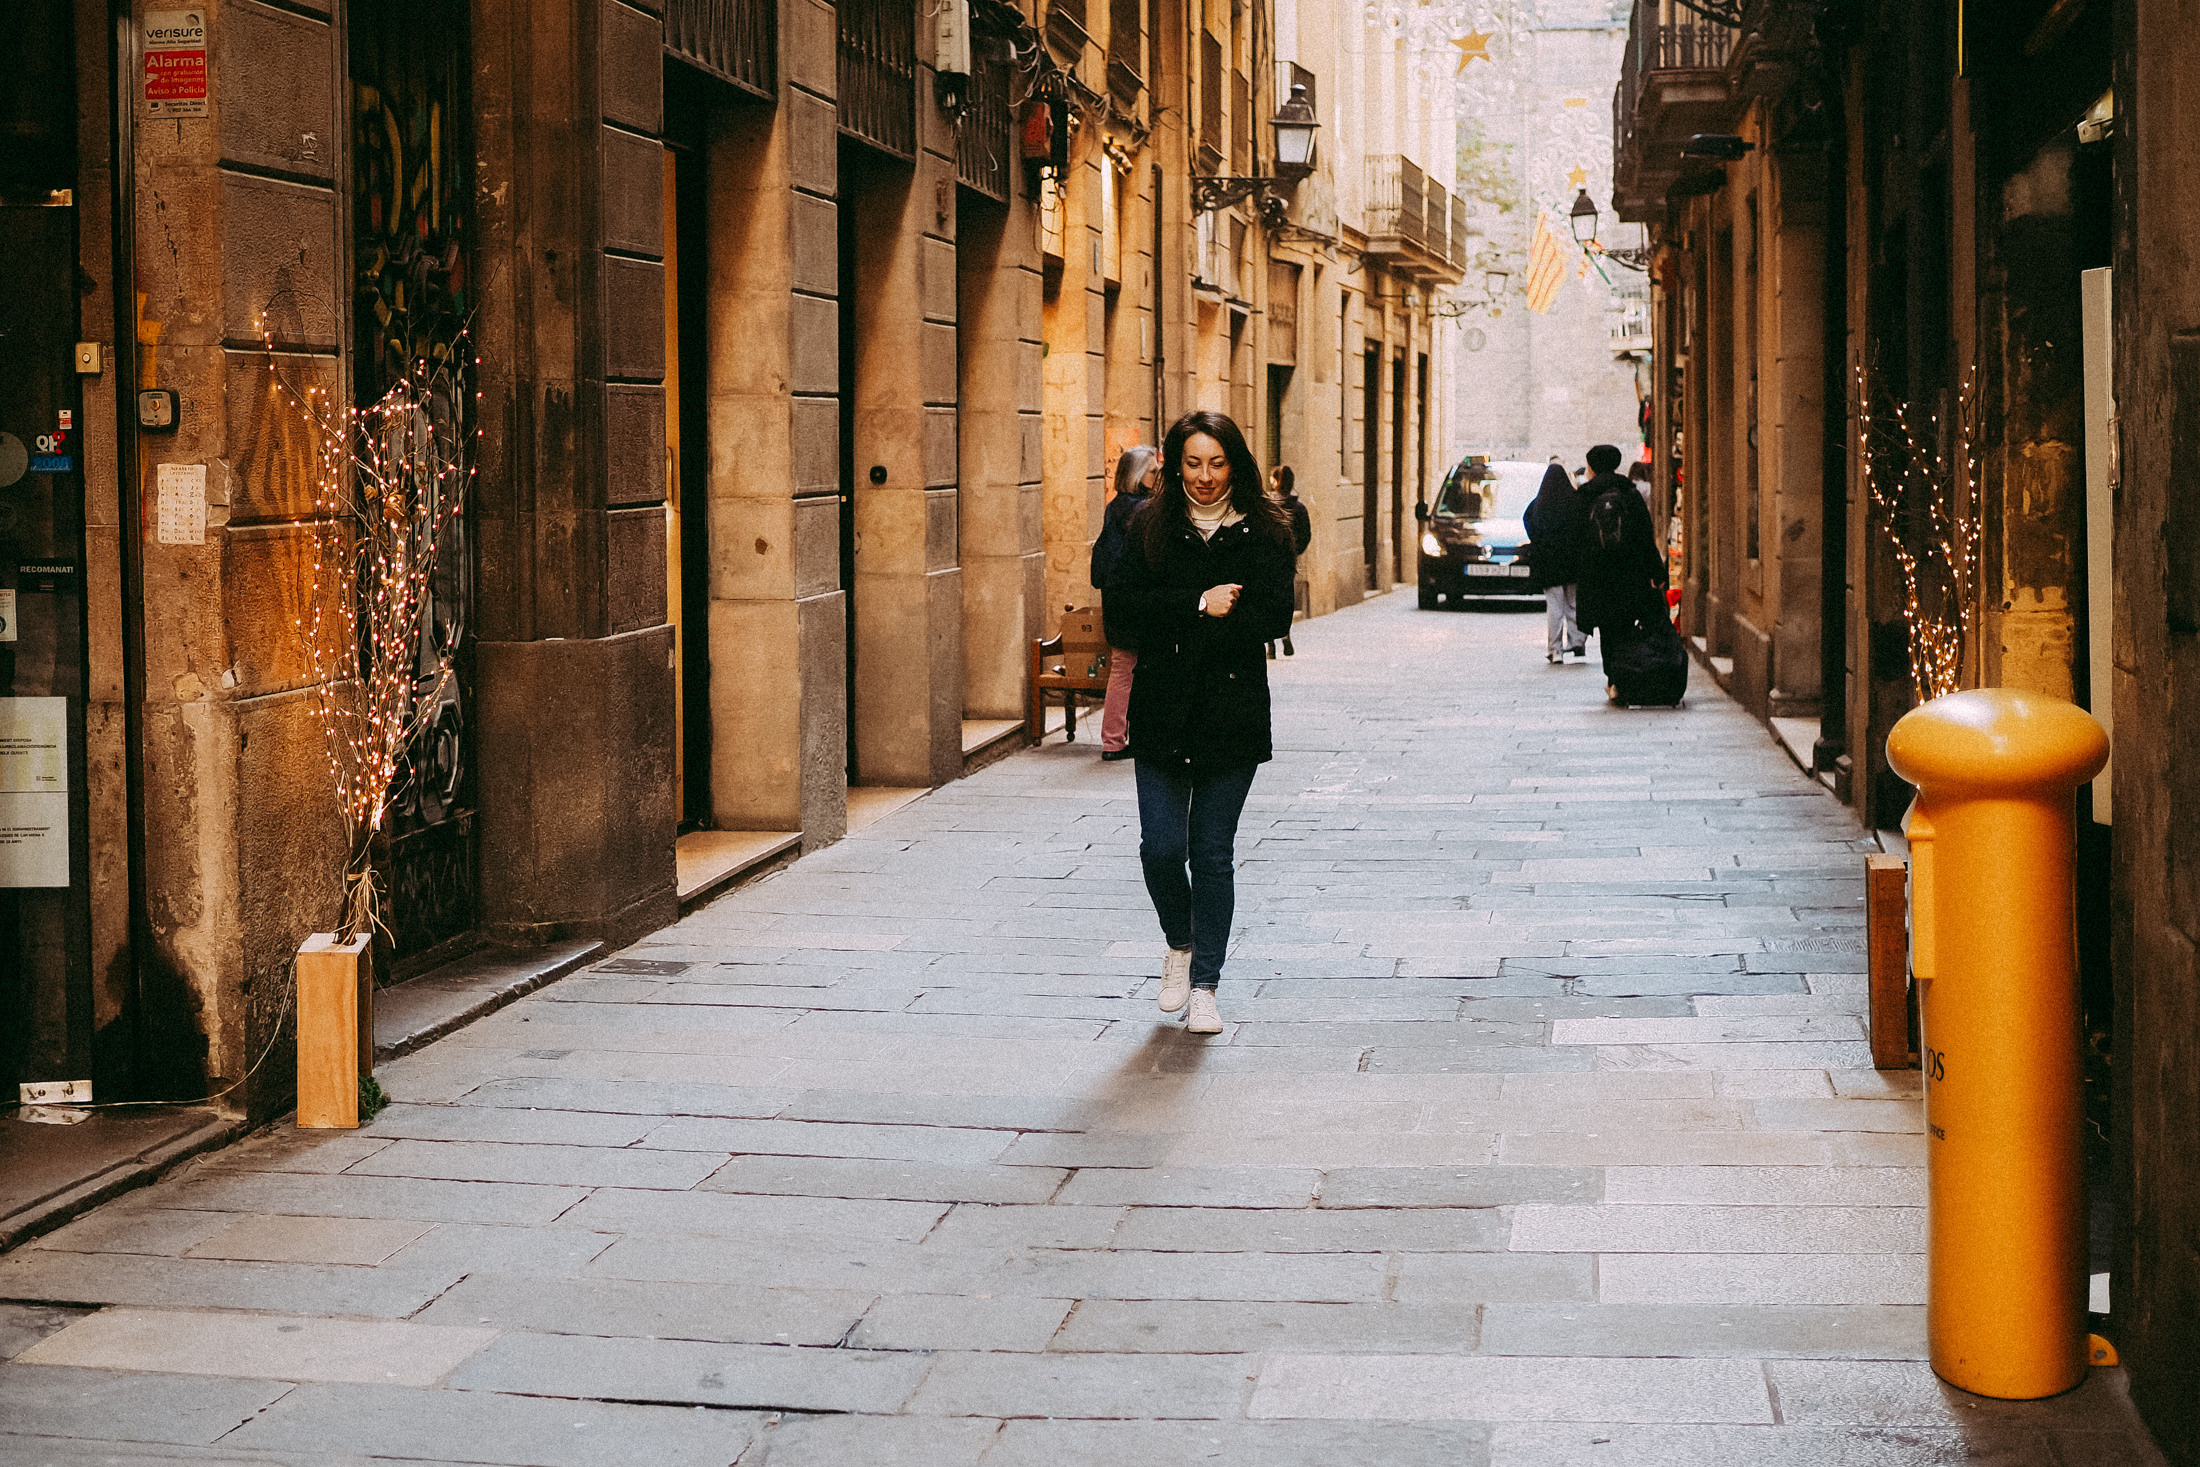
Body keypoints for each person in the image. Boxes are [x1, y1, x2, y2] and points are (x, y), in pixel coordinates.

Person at [1103, 410, 1296, 1034]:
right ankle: (1179, 943)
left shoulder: (1265, 529)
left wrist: (1214, 618)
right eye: (1192, 463)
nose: (1205, 476)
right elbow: (1122, 615)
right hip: (1162, 711)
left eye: (1217, 463)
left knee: (1211, 854)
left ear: (1234, 462)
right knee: (1161, 848)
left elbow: (1273, 618)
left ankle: (1206, 984)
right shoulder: (1148, 526)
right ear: (1173, 464)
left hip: (1231, 715)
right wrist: (1198, 604)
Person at [1576, 442, 1683, 705]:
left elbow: (1577, 537)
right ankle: (1624, 677)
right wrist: (1656, 572)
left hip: (1597, 577)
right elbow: (1645, 538)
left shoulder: (1585, 495)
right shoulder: (1629, 493)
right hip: (1629, 576)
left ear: (1591, 466)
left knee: (1606, 629)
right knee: (1624, 627)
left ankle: (1613, 678)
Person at [1092, 445, 1160, 760]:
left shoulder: (1115, 506)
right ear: (1137, 475)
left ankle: (1115, 739)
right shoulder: (1141, 509)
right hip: (1133, 601)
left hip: (1117, 600)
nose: (1158, 477)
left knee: (1125, 668)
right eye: (1153, 471)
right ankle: (1115, 740)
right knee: (1127, 669)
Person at [1522, 462, 1589, 664]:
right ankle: (1577, 642)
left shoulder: (1539, 504)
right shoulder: (1575, 500)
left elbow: (1528, 522)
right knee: (1573, 604)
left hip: (1549, 564)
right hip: (1572, 562)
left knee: (1555, 607)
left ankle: (1555, 650)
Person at [1266, 465, 1312, 659]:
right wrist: (1294, 552)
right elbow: (1306, 535)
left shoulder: (1267, 505)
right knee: (1284, 599)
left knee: (1266, 600)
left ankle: (1270, 645)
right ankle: (1285, 633)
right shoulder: (1299, 508)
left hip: (1266, 561)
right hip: (1287, 561)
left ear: (1276, 482)